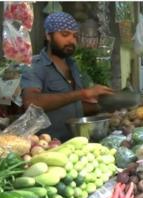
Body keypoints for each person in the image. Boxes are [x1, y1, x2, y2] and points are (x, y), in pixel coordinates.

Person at [20, 12, 113, 141]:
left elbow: (73, 106)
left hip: (76, 142)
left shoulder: (73, 65)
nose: (71, 40)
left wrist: (107, 107)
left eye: (75, 36)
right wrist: (83, 94)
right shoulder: (35, 66)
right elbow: (31, 102)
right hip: (48, 146)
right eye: (64, 34)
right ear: (48, 35)